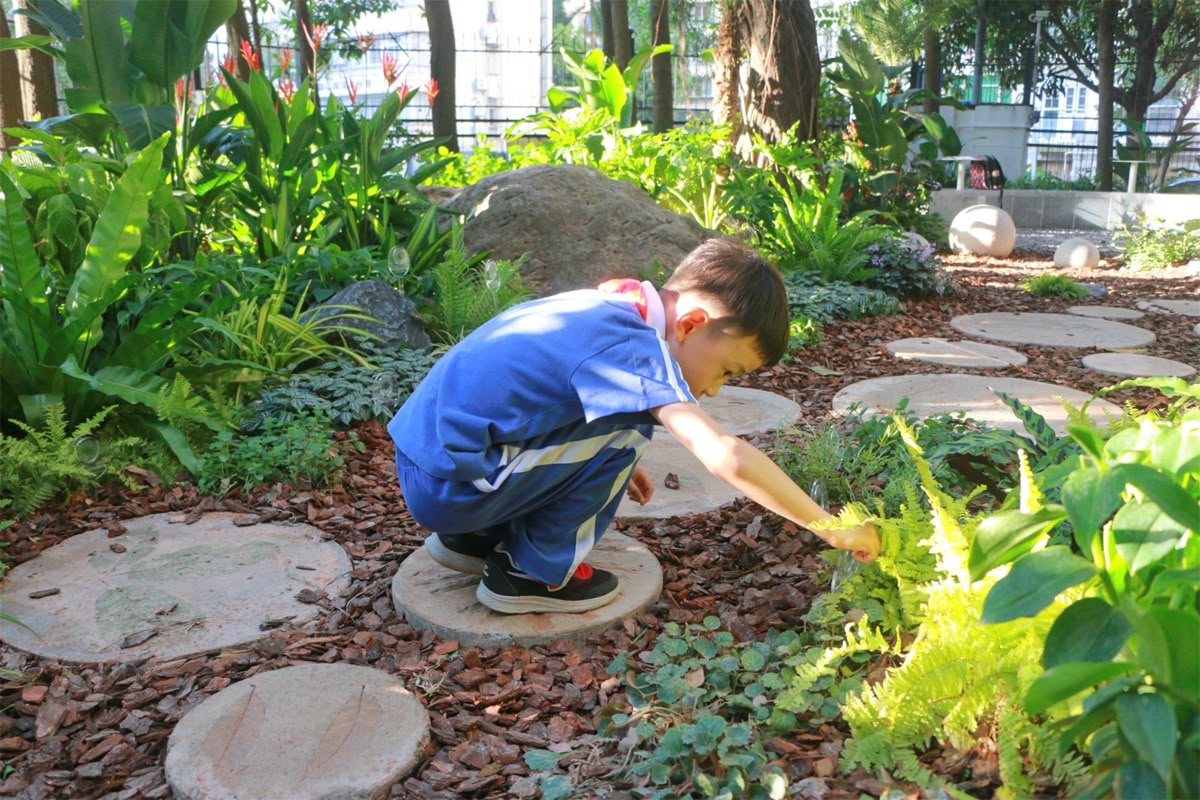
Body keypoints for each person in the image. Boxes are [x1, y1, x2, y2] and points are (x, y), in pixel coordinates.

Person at [388, 238, 880, 615]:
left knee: (625, 433)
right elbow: (725, 455)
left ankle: (476, 538)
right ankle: (533, 575)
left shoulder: (617, 305)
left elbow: (549, 394)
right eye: (727, 371)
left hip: (434, 463)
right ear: (690, 324)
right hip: (449, 486)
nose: (713, 391)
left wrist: (589, 463)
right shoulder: (634, 345)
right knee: (627, 431)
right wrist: (831, 527)